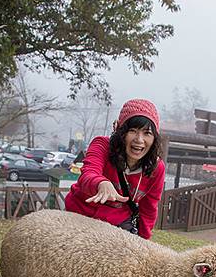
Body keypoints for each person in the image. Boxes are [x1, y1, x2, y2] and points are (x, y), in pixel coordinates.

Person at [65, 99, 165, 239]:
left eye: (147, 133)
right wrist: (101, 183)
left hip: (117, 224)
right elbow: (88, 173)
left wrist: (144, 241)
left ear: (154, 138)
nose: (139, 139)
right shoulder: (102, 145)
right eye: (132, 131)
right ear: (120, 130)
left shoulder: (156, 167)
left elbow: (149, 208)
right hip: (80, 214)